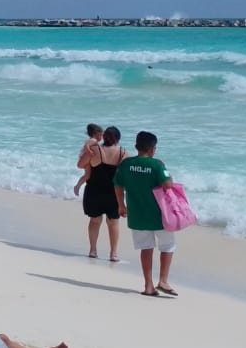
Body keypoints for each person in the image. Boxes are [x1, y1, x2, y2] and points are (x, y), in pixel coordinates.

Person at [116, 130, 178, 297]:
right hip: (159, 215)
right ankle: (163, 280)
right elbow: (167, 184)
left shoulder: (126, 164)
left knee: (146, 248)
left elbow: (118, 185)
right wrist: (166, 170)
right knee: (168, 246)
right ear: (152, 149)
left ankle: (148, 286)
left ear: (137, 147)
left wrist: (121, 205)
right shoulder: (157, 164)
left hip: (137, 214)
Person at [75, 124, 124, 261]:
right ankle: (113, 253)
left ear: (104, 137)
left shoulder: (94, 150)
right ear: (117, 139)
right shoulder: (123, 153)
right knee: (113, 223)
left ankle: (93, 250)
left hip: (94, 191)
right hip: (113, 193)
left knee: (95, 221)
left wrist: (87, 152)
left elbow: (79, 165)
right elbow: (126, 175)